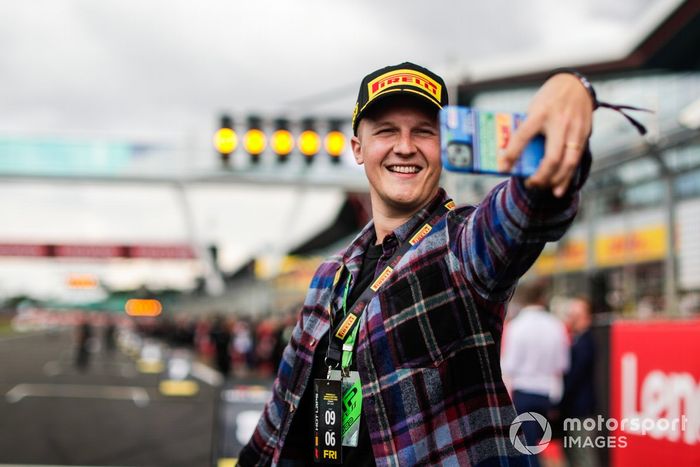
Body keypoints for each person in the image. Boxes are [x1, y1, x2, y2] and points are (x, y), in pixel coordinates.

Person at [239, 61, 597, 466]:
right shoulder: (329, 277)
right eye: (387, 130)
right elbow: (281, 416)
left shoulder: (460, 246)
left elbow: (528, 209)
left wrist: (572, 91)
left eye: (424, 131)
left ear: (444, 146)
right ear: (358, 148)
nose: (405, 146)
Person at [501, 282, 570, 467]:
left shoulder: (516, 327)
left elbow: (509, 365)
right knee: (546, 445)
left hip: (524, 392)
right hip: (549, 392)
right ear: (543, 298)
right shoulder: (556, 325)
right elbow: (562, 364)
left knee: (528, 446)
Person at [561, 296, 598, 467]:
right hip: (574, 410)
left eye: (575, 313)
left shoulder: (585, 343)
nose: (571, 317)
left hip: (580, 411)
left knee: (582, 455)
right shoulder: (577, 340)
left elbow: (575, 376)